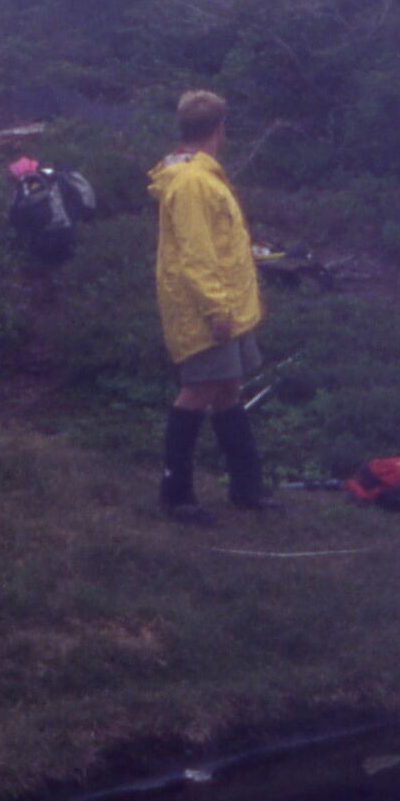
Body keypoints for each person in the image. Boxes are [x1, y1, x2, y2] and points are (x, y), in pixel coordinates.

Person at [150, 89, 270, 521]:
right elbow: (196, 255)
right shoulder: (191, 182)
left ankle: (246, 489)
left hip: (229, 306)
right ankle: (175, 494)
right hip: (206, 309)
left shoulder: (203, 175)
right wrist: (217, 310)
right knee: (198, 390)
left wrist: (245, 302)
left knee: (228, 388)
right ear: (220, 129)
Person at [5, 156, 95, 266]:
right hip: (67, 231)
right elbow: (73, 194)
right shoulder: (49, 176)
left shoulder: (21, 191)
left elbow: (16, 220)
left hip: (41, 243)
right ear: (34, 166)